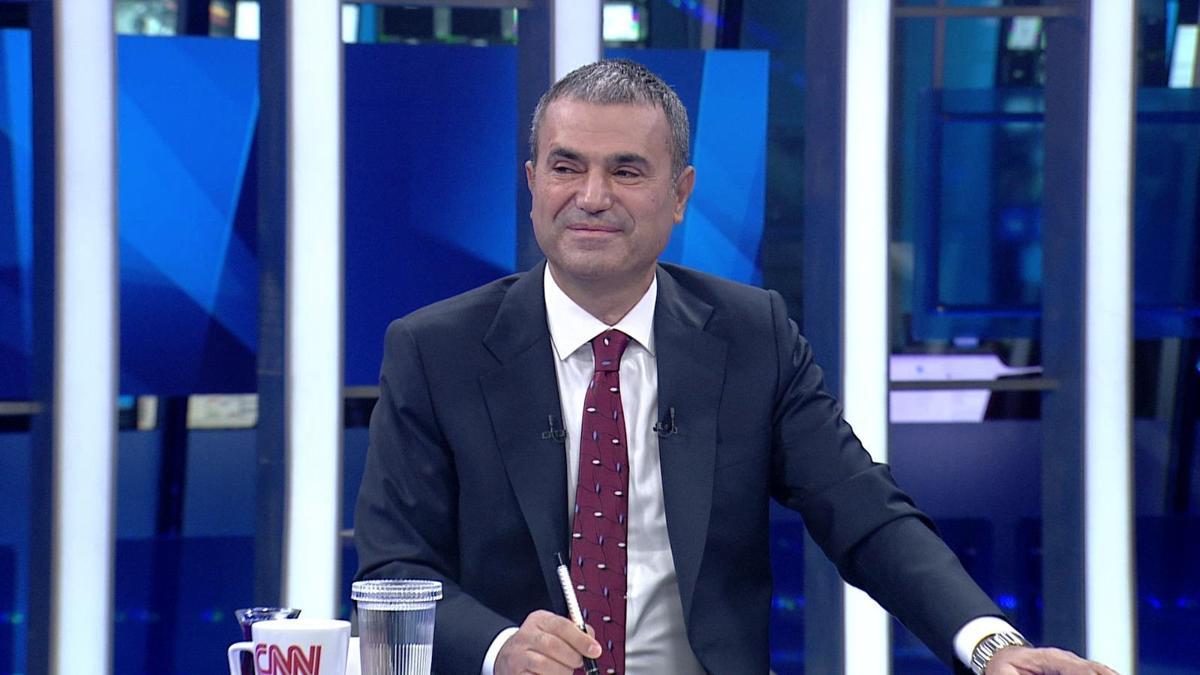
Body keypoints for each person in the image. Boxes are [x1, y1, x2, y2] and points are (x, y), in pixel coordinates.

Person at [354, 59, 1117, 675]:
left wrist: (989, 645)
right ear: (531, 183)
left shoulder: (753, 335)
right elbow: (393, 571)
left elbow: (865, 512)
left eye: (626, 170)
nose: (590, 196)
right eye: (566, 166)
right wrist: (499, 649)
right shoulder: (436, 350)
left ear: (679, 194)